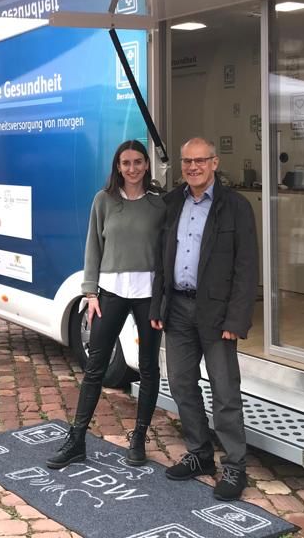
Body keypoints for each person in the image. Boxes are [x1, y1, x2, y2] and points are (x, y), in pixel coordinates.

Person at [47, 139, 167, 470]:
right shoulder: (104, 200)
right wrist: (90, 291)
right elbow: (93, 246)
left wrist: (164, 296)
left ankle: (139, 438)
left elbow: (167, 251)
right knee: (95, 366)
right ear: (117, 166)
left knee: (147, 367)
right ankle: (77, 439)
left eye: (139, 162)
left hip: (148, 295)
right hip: (110, 292)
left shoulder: (159, 204)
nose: (132, 168)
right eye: (126, 162)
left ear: (147, 165)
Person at [150, 137, 258, 501]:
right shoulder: (170, 204)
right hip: (177, 308)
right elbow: (160, 262)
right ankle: (199, 455)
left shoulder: (236, 207)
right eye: (187, 162)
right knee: (180, 383)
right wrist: (156, 308)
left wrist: (237, 318)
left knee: (225, 391)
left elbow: (246, 268)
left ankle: (234, 465)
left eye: (200, 161)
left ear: (214, 163)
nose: (193, 167)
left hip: (217, 314)